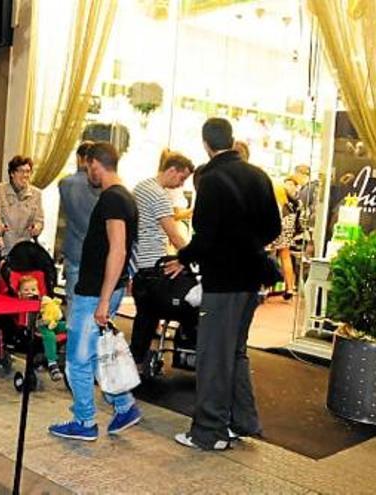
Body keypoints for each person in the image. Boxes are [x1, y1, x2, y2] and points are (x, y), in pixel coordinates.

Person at [166, 118, 281, 451]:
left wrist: (184, 257)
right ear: (231, 140)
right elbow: (273, 228)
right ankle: (241, 421)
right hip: (252, 281)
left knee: (214, 355)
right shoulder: (259, 175)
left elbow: (205, 236)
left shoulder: (212, 180)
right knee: (236, 353)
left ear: (205, 144)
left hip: (222, 282)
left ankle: (209, 431)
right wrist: (247, 247)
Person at [49, 141, 142, 441]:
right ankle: (124, 405)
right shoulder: (123, 197)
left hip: (95, 293)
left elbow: (117, 249)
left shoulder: (114, 199)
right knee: (95, 354)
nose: (87, 172)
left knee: (77, 360)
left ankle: (85, 421)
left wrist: (103, 300)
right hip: (103, 289)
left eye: (87, 166)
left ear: (94, 165)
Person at [129, 151, 195, 365]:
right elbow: (173, 234)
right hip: (153, 265)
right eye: (181, 178)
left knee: (145, 318)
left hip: (139, 263)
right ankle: (137, 362)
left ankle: (137, 360)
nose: (181, 184)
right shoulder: (159, 196)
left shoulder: (141, 187)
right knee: (162, 312)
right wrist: (191, 255)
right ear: (172, 170)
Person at [58, 141, 101, 314]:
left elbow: (63, 221)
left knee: (73, 299)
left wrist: (58, 250)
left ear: (79, 158)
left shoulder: (66, 184)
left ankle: (73, 338)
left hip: (74, 248)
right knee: (94, 302)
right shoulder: (104, 186)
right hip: (97, 252)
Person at [0, 155, 44, 257]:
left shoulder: (36, 194)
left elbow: (39, 220)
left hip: (24, 249)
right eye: (21, 171)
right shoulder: (0, 189)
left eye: (28, 171)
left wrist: (36, 228)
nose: (25, 175)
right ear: (12, 173)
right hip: (3, 247)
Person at [17, 276, 67, 381]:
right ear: (19, 293)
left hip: (52, 323)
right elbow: (26, 322)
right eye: (25, 290)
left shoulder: (43, 302)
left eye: (33, 289)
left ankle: (68, 354)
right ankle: (52, 364)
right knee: (50, 335)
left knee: (68, 326)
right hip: (37, 327)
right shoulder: (22, 304)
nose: (30, 292)